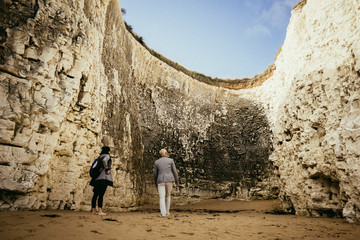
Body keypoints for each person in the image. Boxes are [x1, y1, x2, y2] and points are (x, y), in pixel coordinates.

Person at [154, 149, 179, 218]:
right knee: (168, 196)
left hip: (160, 180)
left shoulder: (157, 162)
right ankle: (167, 212)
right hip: (169, 180)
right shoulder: (170, 160)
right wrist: (177, 180)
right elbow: (174, 171)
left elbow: (155, 174)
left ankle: (163, 213)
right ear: (165, 153)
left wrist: (155, 182)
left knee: (161, 197)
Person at [90, 146, 113, 215]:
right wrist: (107, 169)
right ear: (108, 151)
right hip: (104, 178)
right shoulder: (107, 156)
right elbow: (104, 161)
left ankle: (93, 210)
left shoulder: (99, 157)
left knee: (95, 194)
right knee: (101, 195)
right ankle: (100, 210)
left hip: (97, 178)